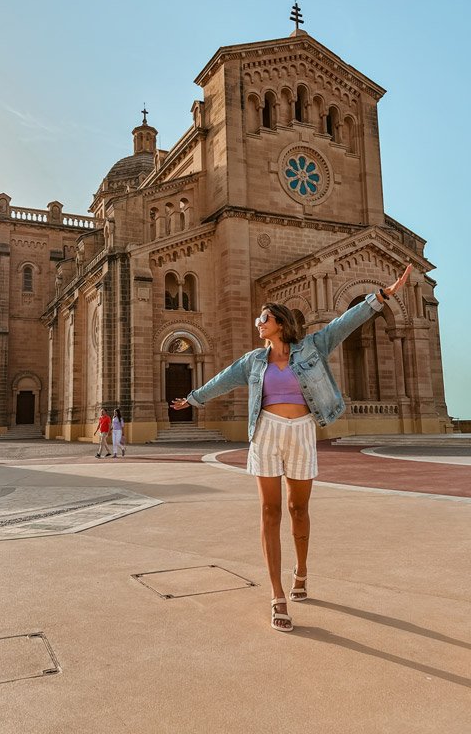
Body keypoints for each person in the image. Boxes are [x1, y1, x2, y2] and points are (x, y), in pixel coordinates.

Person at [171, 265, 412, 633]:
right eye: (257, 319)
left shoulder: (312, 347)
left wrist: (381, 296)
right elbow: (221, 380)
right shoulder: (254, 361)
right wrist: (192, 399)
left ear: (279, 322)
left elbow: (344, 323)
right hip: (266, 431)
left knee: (298, 508)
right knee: (270, 512)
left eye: (263, 318)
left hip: (301, 431)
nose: (257, 323)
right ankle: (277, 595)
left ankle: (301, 570)